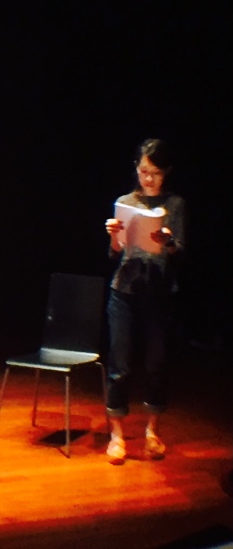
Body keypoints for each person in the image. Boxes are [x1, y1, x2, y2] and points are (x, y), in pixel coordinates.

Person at [103, 138, 186, 464]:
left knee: (156, 363)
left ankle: (152, 431)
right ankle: (116, 435)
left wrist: (167, 241)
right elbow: (114, 253)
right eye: (142, 171)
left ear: (165, 172)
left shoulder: (175, 205)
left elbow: (180, 251)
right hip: (124, 291)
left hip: (160, 293)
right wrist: (113, 234)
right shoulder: (125, 201)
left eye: (154, 172)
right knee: (119, 366)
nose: (147, 178)